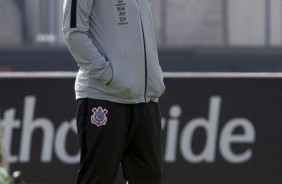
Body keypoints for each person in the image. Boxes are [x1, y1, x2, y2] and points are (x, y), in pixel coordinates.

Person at [62, 0, 165, 183]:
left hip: (145, 98)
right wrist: (108, 75)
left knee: (149, 178)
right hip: (103, 95)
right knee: (98, 178)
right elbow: (73, 33)